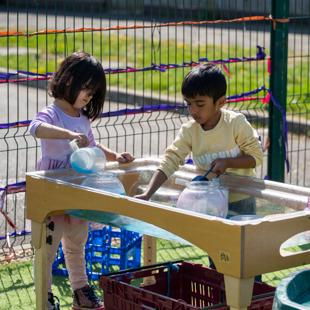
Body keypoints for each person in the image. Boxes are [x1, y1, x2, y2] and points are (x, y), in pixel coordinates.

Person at [29, 51, 134, 310]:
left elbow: (94, 147)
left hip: (78, 189)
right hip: (53, 191)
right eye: (86, 89)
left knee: (77, 242)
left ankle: (80, 291)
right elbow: (35, 128)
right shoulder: (52, 113)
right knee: (48, 248)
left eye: (93, 92)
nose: (88, 96)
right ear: (68, 80)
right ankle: (45, 296)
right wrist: (67, 134)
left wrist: (115, 155)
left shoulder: (83, 117)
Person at [135, 63, 263, 218]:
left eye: (200, 104)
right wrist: (147, 194)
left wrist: (228, 162)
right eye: (188, 103)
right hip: (208, 203)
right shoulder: (189, 131)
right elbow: (170, 161)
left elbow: (256, 157)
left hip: (241, 200)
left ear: (220, 102)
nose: (193, 110)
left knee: (241, 242)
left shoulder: (236, 124)